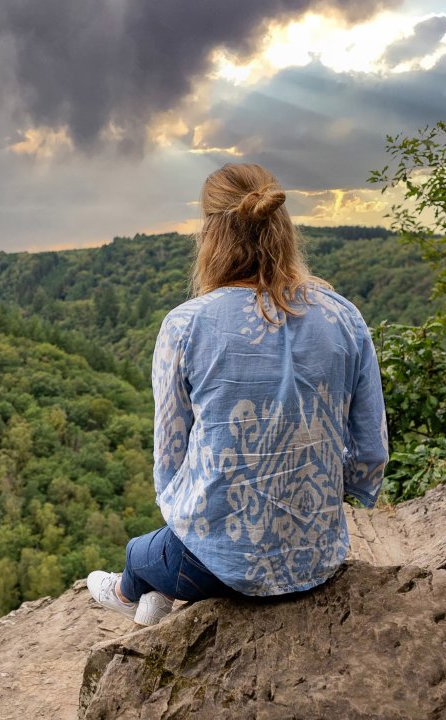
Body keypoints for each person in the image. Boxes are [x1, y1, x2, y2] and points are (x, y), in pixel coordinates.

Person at [88, 162, 389, 625]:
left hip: (213, 568)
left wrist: (197, 523)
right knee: (159, 553)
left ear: (210, 234)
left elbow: (170, 462)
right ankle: (152, 596)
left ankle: (132, 594)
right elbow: (370, 452)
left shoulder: (187, 325)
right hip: (318, 560)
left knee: (139, 552)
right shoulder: (343, 317)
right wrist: (316, 493)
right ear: (283, 227)